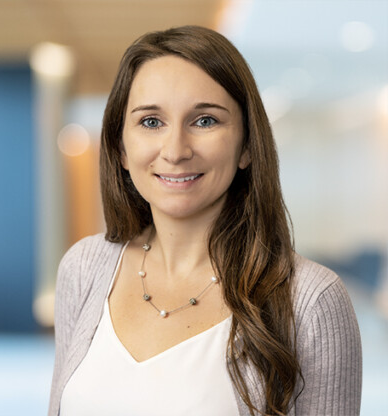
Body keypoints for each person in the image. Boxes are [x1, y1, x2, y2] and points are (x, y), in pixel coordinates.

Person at [48, 26, 362, 416]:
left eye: (205, 121)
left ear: (247, 146)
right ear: (121, 149)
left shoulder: (311, 300)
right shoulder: (83, 268)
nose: (176, 150)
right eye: (150, 122)